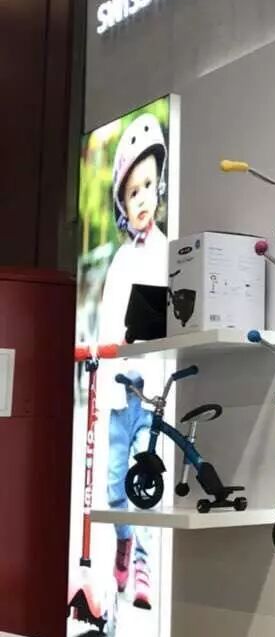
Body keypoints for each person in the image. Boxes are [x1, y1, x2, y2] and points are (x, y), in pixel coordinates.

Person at [97, 114, 169, 610]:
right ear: (122, 203)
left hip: (153, 392)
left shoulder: (167, 251)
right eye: (133, 191)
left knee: (145, 477)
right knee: (113, 485)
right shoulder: (120, 261)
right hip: (121, 395)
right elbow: (108, 322)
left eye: (148, 186)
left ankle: (141, 561)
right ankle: (124, 541)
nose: (143, 198)